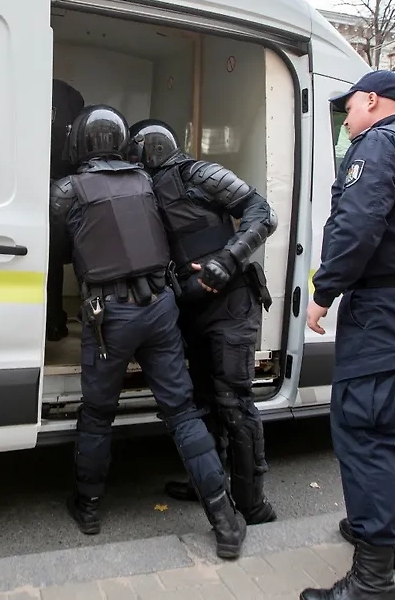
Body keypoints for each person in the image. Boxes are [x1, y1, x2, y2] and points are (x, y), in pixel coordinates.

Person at [51, 105, 247, 560]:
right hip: (160, 307)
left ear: (78, 142)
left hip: (108, 315)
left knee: (98, 414)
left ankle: (89, 506)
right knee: (182, 413)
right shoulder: (145, 181)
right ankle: (224, 519)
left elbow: (56, 249)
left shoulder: (67, 189)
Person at [302, 70, 395, 600]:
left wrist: (324, 292)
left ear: (372, 100)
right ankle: (389, 538)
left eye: (349, 110)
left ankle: (371, 580)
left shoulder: (379, 144)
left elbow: (357, 225)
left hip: (382, 309)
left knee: (367, 433)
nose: (346, 121)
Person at [125, 119, 279, 526]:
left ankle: (252, 503)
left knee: (234, 402)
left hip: (231, 303)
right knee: (204, 400)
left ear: (148, 147)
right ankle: (210, 485)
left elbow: (262, 212)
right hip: (191, 307)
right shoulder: (143, 188)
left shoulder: (197, 174)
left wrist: (227, 258)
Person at [46, 79, 86, 341]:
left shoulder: (36, 91)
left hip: (40, 191)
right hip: (71, 194)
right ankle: (58, 323)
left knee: (49, 262)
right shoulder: (72, 99)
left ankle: (51, 322)